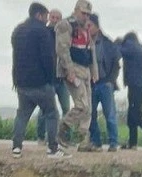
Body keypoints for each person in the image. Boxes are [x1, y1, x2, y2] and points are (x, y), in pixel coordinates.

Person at [11, 3, 66, 158]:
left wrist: (15, 79)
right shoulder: (42, 31)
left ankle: (16, 147)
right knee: (51, 113)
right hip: (40, 82)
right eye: (45, 15)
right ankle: (53, 149)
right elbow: (48, 58)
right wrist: (51, 78)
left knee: (22, 115)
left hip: (21, 82)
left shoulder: (18, 30)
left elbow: (16, 56)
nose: (46, 19)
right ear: (39, 15)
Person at [54, 1, 98, 151]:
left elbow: (90, 50)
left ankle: (83, 141)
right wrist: (69, 71)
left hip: (85, 69)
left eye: (87, 14)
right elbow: (62, 49)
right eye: (83, 13)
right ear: (76, 10)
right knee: (82, 105)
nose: (85, 16)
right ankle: (63, 128)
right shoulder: (66, 24)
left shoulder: (85, 27)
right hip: (73, 68)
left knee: (88, 109)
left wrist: (94, 72)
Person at [35, 8, 70, 145]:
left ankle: (65, 137)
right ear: (49, 18)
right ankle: (41, 137)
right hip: (48, 78)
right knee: (45, 108)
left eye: (57, 18)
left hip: (62, 78)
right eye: (53, 17)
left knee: (66, 109)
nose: (55, 20)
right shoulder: (43, 33)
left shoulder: (64, 35)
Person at [86, 14, 120, 152]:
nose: (87, 28)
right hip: (91, 84)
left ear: (97, 27)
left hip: (105, 82)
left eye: (90, 26)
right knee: (91, 114)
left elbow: (116, 64)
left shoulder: (108, 43)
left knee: (109, 114)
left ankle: (113, 142)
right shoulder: (85, 43)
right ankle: (96, 141)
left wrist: (110, 81)